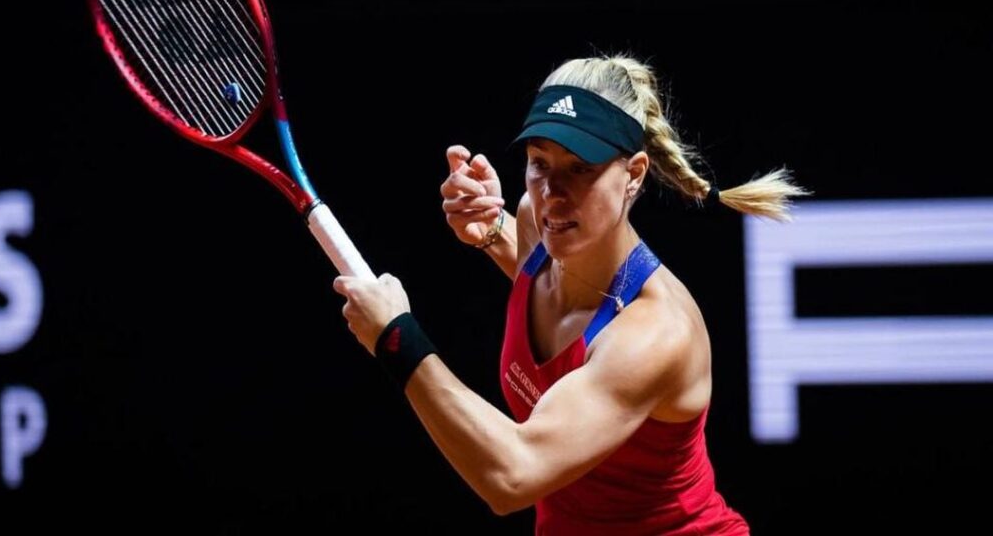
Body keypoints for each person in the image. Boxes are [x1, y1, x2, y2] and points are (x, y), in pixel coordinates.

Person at [333, 54, 808, 535]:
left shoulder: (655, 334)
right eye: (539, 163)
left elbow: (512, 476)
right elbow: (548, 277)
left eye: (580, 168)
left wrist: (396, 338)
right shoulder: (536, 229)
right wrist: (490, 230)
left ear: (634, 174)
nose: (552, 193)